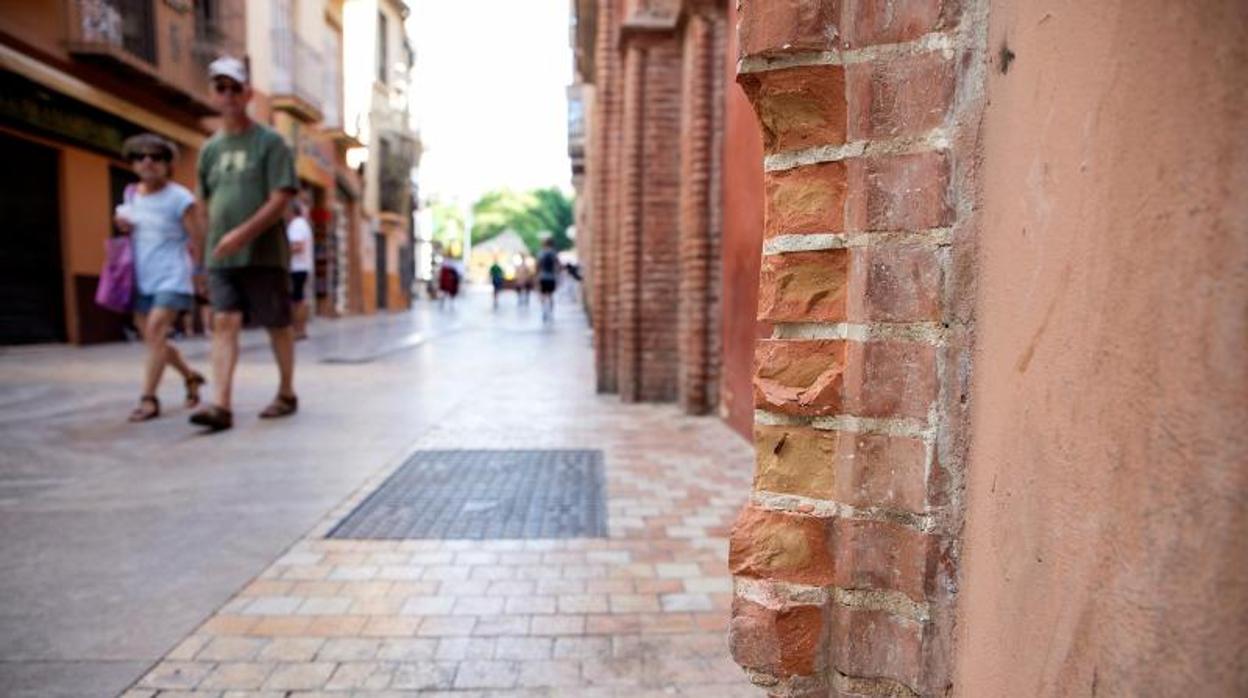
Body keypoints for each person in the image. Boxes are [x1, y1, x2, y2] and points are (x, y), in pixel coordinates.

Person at [188, 56, 298, 432]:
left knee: (276, 323)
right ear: (213, 94)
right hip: (220, 257)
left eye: (236, 87)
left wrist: (242, 235)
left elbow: (280, 198)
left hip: (264, 254)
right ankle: (221, 404)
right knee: (223, 322)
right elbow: (202, 206)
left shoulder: (270, 143)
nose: (229, 95)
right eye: (221, 88)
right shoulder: (209, 150)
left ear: (248, 93)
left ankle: (286, 392)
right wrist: (201, 259)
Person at [114, 133, 207, 422]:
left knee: (155, 331)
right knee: (154, 340)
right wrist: (122, 226)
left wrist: (200, 273)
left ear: (168, 164)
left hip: (173, 276)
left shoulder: (180, 197)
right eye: (141, 157)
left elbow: (198, 237)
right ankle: (191, 376)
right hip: (140, 278)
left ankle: (148, 399)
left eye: (156, 157)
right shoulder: (131, 195)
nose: (148, 162)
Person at [285, 200, 313, 340]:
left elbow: (297, 246)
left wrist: (282, 251)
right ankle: (301, 329)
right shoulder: (303, 224)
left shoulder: (296, 225)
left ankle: (298, 330)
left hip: (296, 267)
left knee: (297, 299)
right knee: (299, 298)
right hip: (302, 267)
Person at [537, 238, 559, 323]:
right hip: (551, 277)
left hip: (543, 277)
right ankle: (550, 312)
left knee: (543, 295)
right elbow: (557, 265)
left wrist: (536, 276)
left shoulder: (541, 253)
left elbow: (538, 265)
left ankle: (544, 311)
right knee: (550, 295)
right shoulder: (554, 253)